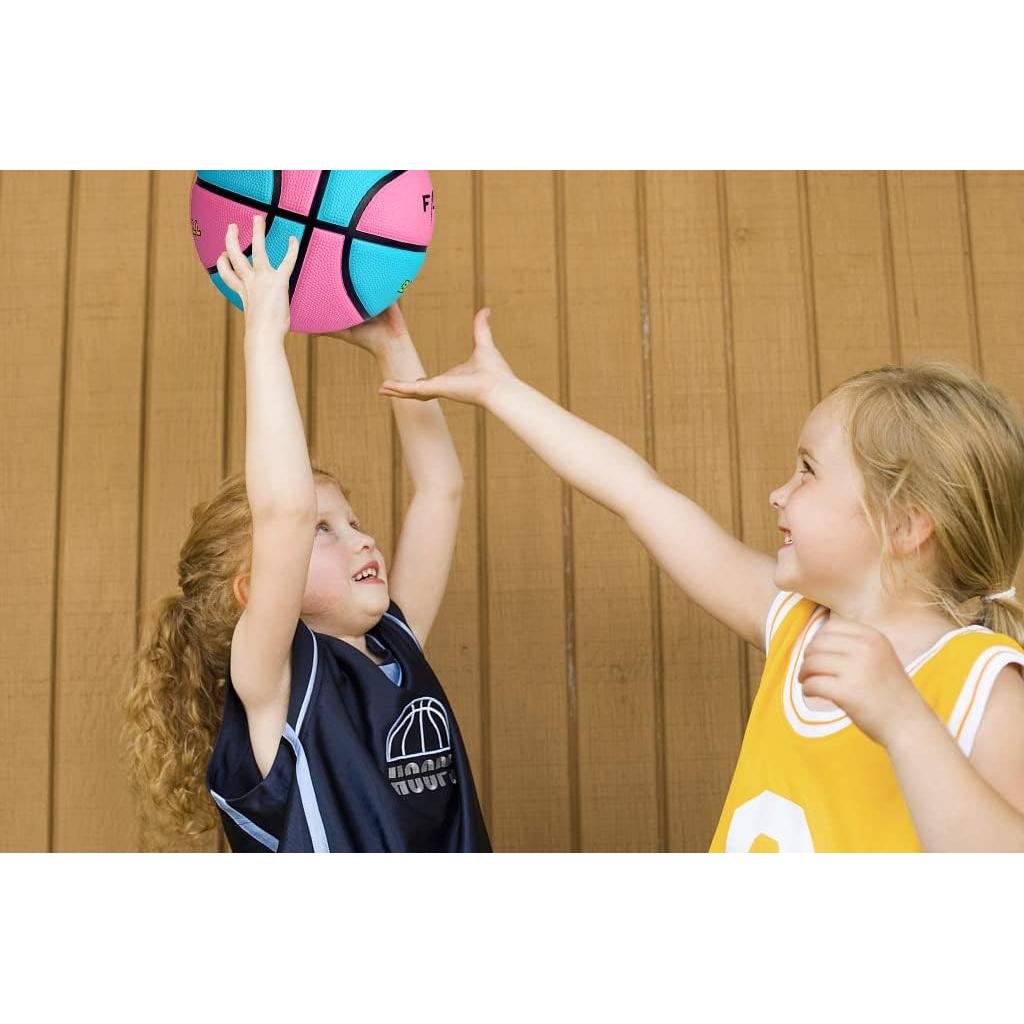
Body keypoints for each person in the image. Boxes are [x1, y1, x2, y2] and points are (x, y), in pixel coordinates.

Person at [379, 308, 1024, 851]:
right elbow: (638, 493)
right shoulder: (795, 625)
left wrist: (906, 724)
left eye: (808, 470)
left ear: (907, 525)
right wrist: (503, 391)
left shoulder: (983, 682)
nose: (779, 493)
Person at [123, 216, 489, 852]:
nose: (361, 539)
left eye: (353, 521)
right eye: (326, 530)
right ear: (253, 587)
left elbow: (440, 488)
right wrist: (264, 335)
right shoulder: (273, 681)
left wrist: (394, 347)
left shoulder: (395, 642)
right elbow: (284, 513)